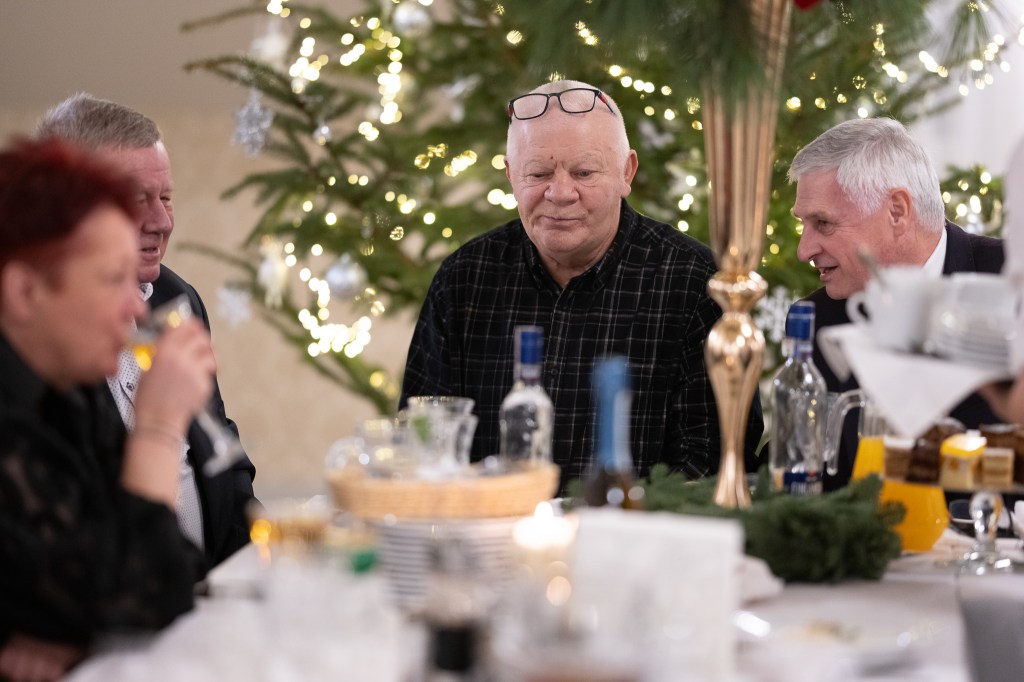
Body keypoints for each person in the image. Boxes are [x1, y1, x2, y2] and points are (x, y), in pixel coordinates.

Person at [401, 80, 764, 491]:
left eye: (584, 172)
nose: (560, 193)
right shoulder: (464, 278)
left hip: (637, 528)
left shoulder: (697, 283)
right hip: (490, 527)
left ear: (627, 172)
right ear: (510, 175)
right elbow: (423, 442)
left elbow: (711, 469)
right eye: (538, 173)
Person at [0, 138, 211, 681]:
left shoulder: (76, 390)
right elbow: (141, 592)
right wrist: (158, 429)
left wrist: (79, 628)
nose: (137, 307)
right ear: (24, 292)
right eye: (112, 279)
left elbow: (173, 569)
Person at [36, 93, 256, 569]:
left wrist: (255, 559)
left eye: (166, 197)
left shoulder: (177, 298)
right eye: (136, 199)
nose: (162, 221)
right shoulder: (39, 339)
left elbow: (222, 449)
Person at [789, 117, 1004, 489]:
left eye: (823, 223)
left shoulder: (1010, 283)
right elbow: (811, 479)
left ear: (897, 211)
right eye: (803, 224)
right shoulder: (819, 318)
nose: (803, 250)